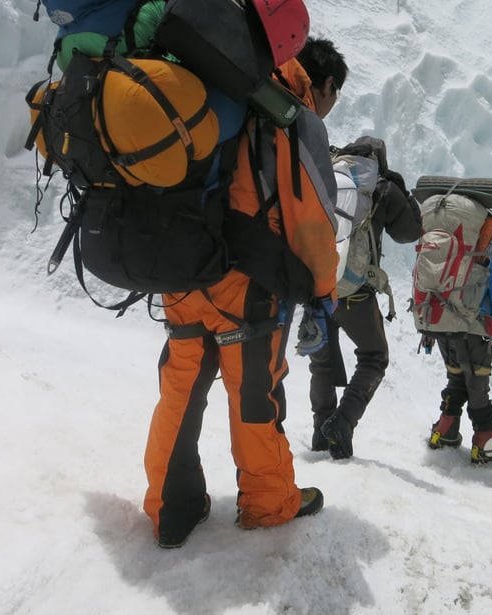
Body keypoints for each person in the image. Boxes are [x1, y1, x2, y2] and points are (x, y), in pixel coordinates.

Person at [142, 6, 340, 548]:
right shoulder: (285, 107)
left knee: (181, 388)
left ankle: (170, 506)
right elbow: (311, 218)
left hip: (183, 266)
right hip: (247, 285)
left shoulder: (204, 79)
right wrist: (324, 293)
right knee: (255, 397)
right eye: (331, 95)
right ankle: (268, 503)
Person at [311, 137, 422, 459]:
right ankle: (342, 423)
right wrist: (402, 190)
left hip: (318, 285)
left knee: (322, 361)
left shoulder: (327, 174)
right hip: (354, 292)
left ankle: (321, 432)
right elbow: (410, 232)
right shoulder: (383, 187)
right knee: (374, 356)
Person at [426, 224, 492, 464]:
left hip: (444, 329)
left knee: (456, 379)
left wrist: (427, 329)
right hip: (475, 333)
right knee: (477, 386)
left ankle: (444, 430)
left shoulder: (446, 249)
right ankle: (485, 442)